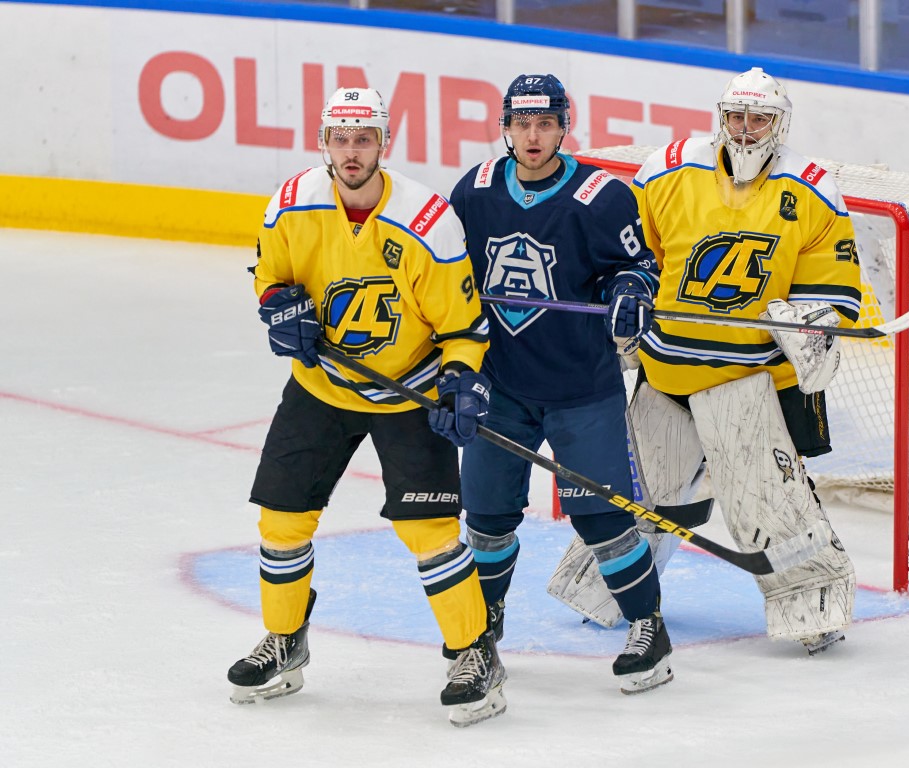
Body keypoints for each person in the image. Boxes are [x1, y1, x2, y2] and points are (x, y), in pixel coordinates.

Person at [554, 67, 861, 655]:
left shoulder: (812, 189)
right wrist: (623, 297)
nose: (745, 132)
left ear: (781, 123)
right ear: (720, 118)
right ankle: (606, 593)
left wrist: (814, 321)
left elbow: (833, 284)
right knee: (639, 497)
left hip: (745, 381)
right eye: (736, 118)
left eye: (759, 120)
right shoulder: (668, 169)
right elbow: (628, 254)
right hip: (664, 370)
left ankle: (812, 607)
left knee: (769, 507)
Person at [227, 87, 506, 727]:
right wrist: (278, 311)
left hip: (410, 386)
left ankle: (474, 654)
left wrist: (463, 383)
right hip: (322, 385)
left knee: (429, 532)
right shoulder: (292, 206)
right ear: (323, 143)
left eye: (365, 139)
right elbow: (270, 278)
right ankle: (284, 641)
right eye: (341, 139)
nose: (352, 153)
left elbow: (465, 329)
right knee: (282, 519)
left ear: (385, 143)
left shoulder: (427, 222)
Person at [448, 73, 673, 694]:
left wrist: (629, 291)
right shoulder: (477, 189)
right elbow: (442, 270)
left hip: (581, 387)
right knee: (487, 518)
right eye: (522, 124)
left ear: (562, 126)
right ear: (505, 127)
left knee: (602, 520)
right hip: (502, 384)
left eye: (545, 123)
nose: (533, 135)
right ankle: (484, 628)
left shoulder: (602, 196)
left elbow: (637, 267)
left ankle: (648, 627)